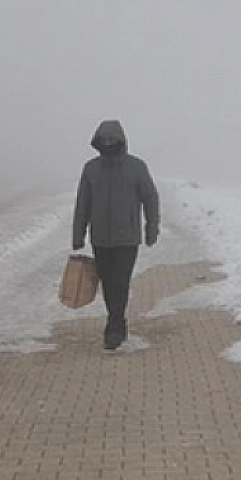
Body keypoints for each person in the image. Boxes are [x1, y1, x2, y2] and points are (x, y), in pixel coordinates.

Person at [72, 118, 160, 350]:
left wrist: (152, 228)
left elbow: (150, 198)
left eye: (112, 139)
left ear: (121, 140)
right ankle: (117, 321)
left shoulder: (136, 167)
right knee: (108, 283)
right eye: (105, 139)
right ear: (98, 141)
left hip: (127, 238)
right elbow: (83, 203)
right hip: (100, 237)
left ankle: (114, 327)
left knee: (120, 281)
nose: (109, 143)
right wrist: (78, 235)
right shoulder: (91, 169)